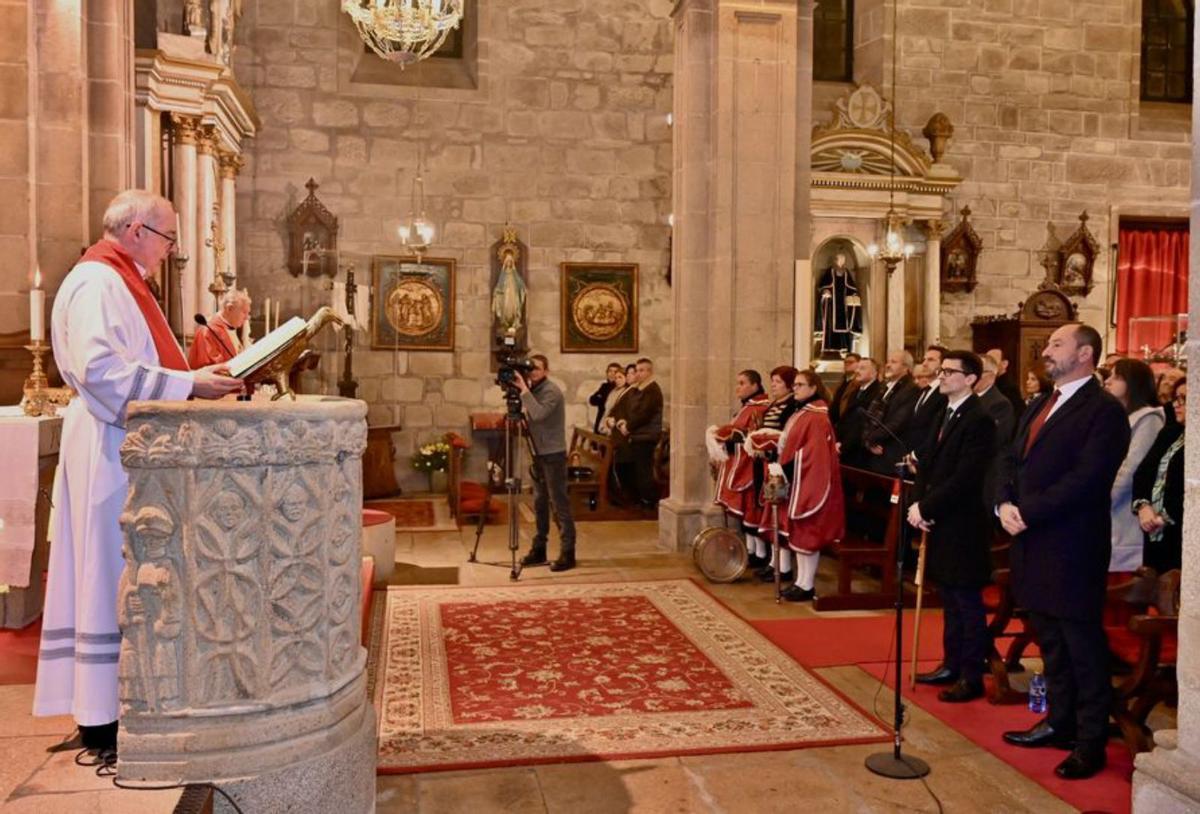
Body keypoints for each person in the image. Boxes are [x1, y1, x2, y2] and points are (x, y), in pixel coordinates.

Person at [33, 190, 242, 756]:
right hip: (112, 445)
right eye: (169, 237)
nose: (170, 250)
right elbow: (103, 372)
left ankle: (110, 708)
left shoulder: (115, 279)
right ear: (137, 231)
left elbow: (132, 364)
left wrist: (194, 375)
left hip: (119, 441)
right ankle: (106, 715)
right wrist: (189, 384)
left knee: (109, 570)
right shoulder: (100, 282)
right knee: (108, 572)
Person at [996, 323, 1130, 780]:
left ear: (1085, 354)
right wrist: (1003, 503)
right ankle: (1059, 720)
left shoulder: (1103, 411)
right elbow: (1011, 460)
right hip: (1031, 540)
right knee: (1050, 642)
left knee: (1082, 647)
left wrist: (1026, 510)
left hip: (1072, 544)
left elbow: (1086, 479)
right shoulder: (1040, 402)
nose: (1046, 351)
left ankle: (1090, 742)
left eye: (1057, 344)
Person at [908, 351, 997, 702]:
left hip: (964, 522)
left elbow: (966, 476)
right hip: (941, 518)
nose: (941, 376)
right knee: (948, 596)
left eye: (950, 371)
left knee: (966, 600)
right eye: (941, 370)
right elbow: (928, 461)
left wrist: (927, 505)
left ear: (971, 378)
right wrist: (919, 503)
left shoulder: (979, 419)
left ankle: (971, 675)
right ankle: (951, 663)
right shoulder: (944, 413)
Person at [772, 370, 844, 602]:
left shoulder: (817, 416)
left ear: (814, 388)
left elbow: (814, 453)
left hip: (811, 481)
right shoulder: (804, 412)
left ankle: (807, 584)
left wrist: (789, 467)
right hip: (799, 479)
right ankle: (801, 582)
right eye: (795, 385)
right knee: (800, 533)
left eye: (801, 385)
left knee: (808, 532)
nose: (796, 389)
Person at [515, 354, 578, 572]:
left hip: (553, 454)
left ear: (546, 371)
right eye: (530, 368)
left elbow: (539, 414)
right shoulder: (535, 390)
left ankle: (568, 552)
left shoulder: (551, 391)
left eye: (538, 369)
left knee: (558, 503)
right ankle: (539, 548)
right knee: (540, 502)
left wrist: (523, 389)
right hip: (538, 453)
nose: (533, 372)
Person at [1104, 359, 1165, 573]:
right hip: (1108, 509)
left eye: (1117, 377)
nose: (1108, 381)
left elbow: (1131, 468)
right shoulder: (1118, 415)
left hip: (1124, 512)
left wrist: (1101, 499)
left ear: (1134, 383)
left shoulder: (1148, 419)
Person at [707, 370, 771, 566]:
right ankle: (751, 551)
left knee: (753, 510)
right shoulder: (748, 406)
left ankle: (759, 554)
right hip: (740, 462)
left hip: (751, 467)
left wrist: (730, 437)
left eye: (742, 383)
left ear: (755, 385)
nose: (738, 387)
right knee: (746, 512)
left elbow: (752, 435)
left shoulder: (760, 407)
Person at [748, 366, 802, 581]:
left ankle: (784, 567)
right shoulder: (774, 404)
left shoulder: (790, 406)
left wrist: (767, 443)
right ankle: (774, 562)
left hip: (780, 466)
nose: (773, 385)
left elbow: (784, 437)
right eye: (773, 381)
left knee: (780, 516)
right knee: (770, 514)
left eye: (778, 382)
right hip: (766, 464)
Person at [1132, 377, 1186, 574]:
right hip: (1153, 528)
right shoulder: (1170, 433)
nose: (1176, 405)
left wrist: (1164, 517)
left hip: (1181, 531)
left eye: (1184, 399)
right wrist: (1143, 506)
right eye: (1175, 398)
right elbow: (1143, 473)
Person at [862, 350, 919, 474]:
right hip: (875, 449)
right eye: (888, 361)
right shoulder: (884, 386)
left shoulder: (911, 389)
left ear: (906, 367)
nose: (888, 365)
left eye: (894, 362)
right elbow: (871, 416)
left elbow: (898, 422)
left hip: (891, 452)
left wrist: (872, 438)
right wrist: (868, 440)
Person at [621, 358, 664, 510]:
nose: (638, 373)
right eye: (637, 370)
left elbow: (645, 413)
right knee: (636, 469)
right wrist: (623, 422)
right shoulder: (638, 389)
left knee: (644, 470)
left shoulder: (652, 390)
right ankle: (640, 498)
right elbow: (630, 408)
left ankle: (649, 501)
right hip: (637, 434)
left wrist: (629, 427)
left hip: (646, 435)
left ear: (649, 372)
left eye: (641, 370)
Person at [187, 288, 251, 368]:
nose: (247, 317)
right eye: (244, 312)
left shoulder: (230, 329)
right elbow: (210, 367)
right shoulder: (208, 331)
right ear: (229, 309)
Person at [835, 357, 881, 468]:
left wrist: (843, 446)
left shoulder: (877, 392)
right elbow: (845, 419)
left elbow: (863, 423)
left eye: (862, 368)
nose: (857, 371)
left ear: (874, 373)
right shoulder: (855, 391)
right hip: (846, 448)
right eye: (858, 368)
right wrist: (837, 440)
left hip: (859, 451)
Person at [814, 252, 862, 355]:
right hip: (832, 303)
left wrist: (853, 294)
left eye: (843, 260)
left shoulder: (846, 272)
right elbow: (823, 285)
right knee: (831, 324)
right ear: (836, 260)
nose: (842, 261)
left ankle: (844, 347)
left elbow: (851, 286)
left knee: (845, 324)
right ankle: (829, 348)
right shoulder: (829, 272)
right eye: (840, 259)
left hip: (843, 304)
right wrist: (825, 291)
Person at [905, 345, 948, 454]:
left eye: (931, 360)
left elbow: (936, 431)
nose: (924, 364)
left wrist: (918, 455)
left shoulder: (944, 393)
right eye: (924, 359)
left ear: (943, 364)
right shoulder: (923, 390)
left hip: (927, 456)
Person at [975, 353, 1016, 446]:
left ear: (991, 375)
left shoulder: (1000, 404)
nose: (972, 377)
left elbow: (996, 439)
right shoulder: (967, 398)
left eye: (978, 372)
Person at [986, 348, 1027, 418]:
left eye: (993, 361)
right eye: (987, 362)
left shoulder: (1010, 388)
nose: (988, 365)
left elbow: (1017, 415)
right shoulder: (986, 383)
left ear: (1004, 364)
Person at [588, 362, 623, 433]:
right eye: (610, 371)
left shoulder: (619, 388)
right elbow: (592, 400)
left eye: (615, 372)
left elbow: (607, 403)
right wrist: (601, 398)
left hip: (610, 423)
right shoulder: (604, 386)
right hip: (600, 419)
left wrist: (600, 397)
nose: (612, 374)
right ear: (607, 373)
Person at [828, 352, 861, 425]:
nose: (847, 364)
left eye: (851, 362)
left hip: (846, 422)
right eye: (845, 362)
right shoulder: (842, 381)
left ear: (859, 364)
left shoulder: (858, 383)